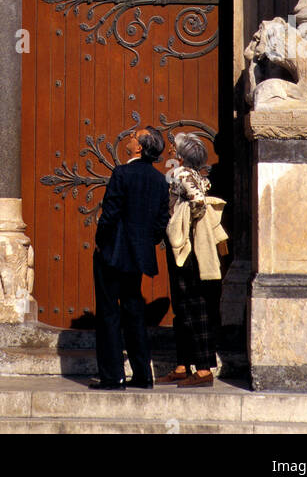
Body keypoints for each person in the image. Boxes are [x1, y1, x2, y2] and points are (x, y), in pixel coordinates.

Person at [91, 125, 170, 390]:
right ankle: (143, 375)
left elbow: (110, 213)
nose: (129, 136)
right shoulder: (160, 180)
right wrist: (147, 243)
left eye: (134, 135)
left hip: (112, 254)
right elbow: (161, 221)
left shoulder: (122, 173)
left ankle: (113, 377)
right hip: (137, 257)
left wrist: (101, 242)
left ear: (139, 147)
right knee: (134, 313)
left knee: (109, 313)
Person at [160, 132, 228, 387]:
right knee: (186, 304)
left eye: (174, 148)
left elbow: (197, 201)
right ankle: (182, 364)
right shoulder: (199, 176)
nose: (170, 152)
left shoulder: (181, 174)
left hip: (186, 248)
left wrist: (187, 225)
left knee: (190, 305)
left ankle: (201, 369)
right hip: (194, 248)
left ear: (181, 155)